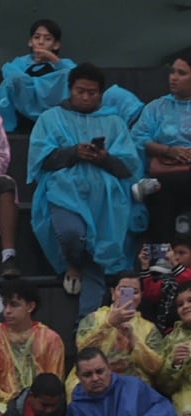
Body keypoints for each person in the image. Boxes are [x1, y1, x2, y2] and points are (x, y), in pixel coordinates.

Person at [28, 67, 142, 297]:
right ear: (70, 90)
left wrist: (104, 158)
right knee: (71, 234)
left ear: (101, 94)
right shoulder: (50, 118)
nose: (86, 97)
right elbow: (41, 160)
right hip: (64, 192)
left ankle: (86, 319)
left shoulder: (114, 121)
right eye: (80, 91)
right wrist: (73, 152)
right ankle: (73, 264)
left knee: (98, 255)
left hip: (106, 200)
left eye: (93, 92)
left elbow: (128, 166)